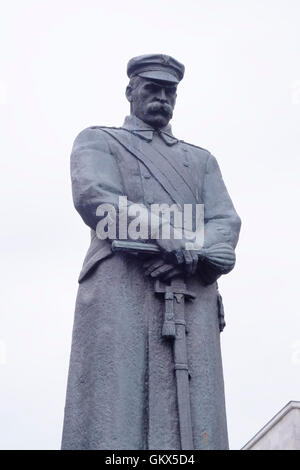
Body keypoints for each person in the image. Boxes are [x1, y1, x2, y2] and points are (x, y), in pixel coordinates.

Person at [61, 54, 241, 450]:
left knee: (199, 413)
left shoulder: (201, 160)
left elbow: (225, 222)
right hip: (122, 283)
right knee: (115, 402)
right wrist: (164, 234)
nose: (161, 98)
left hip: (192, 285)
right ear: (130, 92)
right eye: (152, 89)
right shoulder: (100, 140)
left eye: (169, 91)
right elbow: (97, 199)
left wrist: (187, 251)